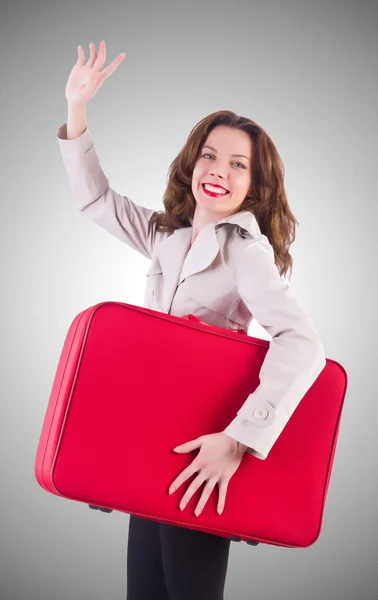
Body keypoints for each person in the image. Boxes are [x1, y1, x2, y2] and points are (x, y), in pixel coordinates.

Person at [56, 41, 326, 600]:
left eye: (238, 164)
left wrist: (238, 441)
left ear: (255, 184)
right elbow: (96, 201)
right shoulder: (168, 235)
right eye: (210, 155)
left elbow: (302, 343)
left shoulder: (246, 252)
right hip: (157, 445)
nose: (219, 171)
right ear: (191, 161)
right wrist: (76, 108)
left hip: (206, 448)